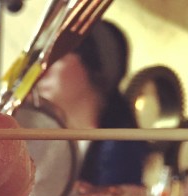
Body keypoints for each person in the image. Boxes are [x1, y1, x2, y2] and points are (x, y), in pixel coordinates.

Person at [36, 20, 148, 187]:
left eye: (58, 58)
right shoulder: (47, 140)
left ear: (95, 66)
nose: (43, 71)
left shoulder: (119, 148)